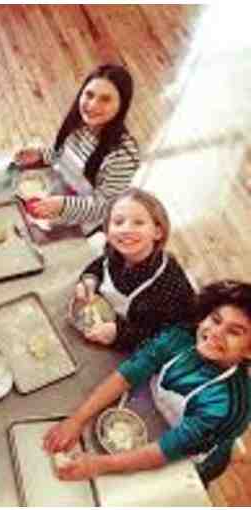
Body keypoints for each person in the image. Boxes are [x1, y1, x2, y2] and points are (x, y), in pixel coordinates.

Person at [44, 280, 251, 485]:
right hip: (157, 417)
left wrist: (97, 465)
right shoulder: (180, 338)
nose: (216, 333)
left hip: (190, 456)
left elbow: (168, 449)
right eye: (215, 320)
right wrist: (77, 419)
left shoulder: (228, 404)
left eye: (234, 332)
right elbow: (128, 374)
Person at [15, 64, 139, 235]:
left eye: (105, 99)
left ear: (122, 106)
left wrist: (63, 205)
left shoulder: (122, 155)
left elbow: (105, 207)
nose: (92, 105)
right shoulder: (79, 124)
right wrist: (41, 154)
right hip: (56, 197)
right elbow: (62, 156)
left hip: (80, 224)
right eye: (89, 95)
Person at [71, 188, 195, 349]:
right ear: (107, 230)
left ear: (157, 232)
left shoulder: (169, 284)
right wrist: (88, 281)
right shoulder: (114, 251)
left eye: (138, 223)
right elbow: (99, 266)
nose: (126, 230)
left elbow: (165, 336)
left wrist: (119, 335)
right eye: (118, 222)